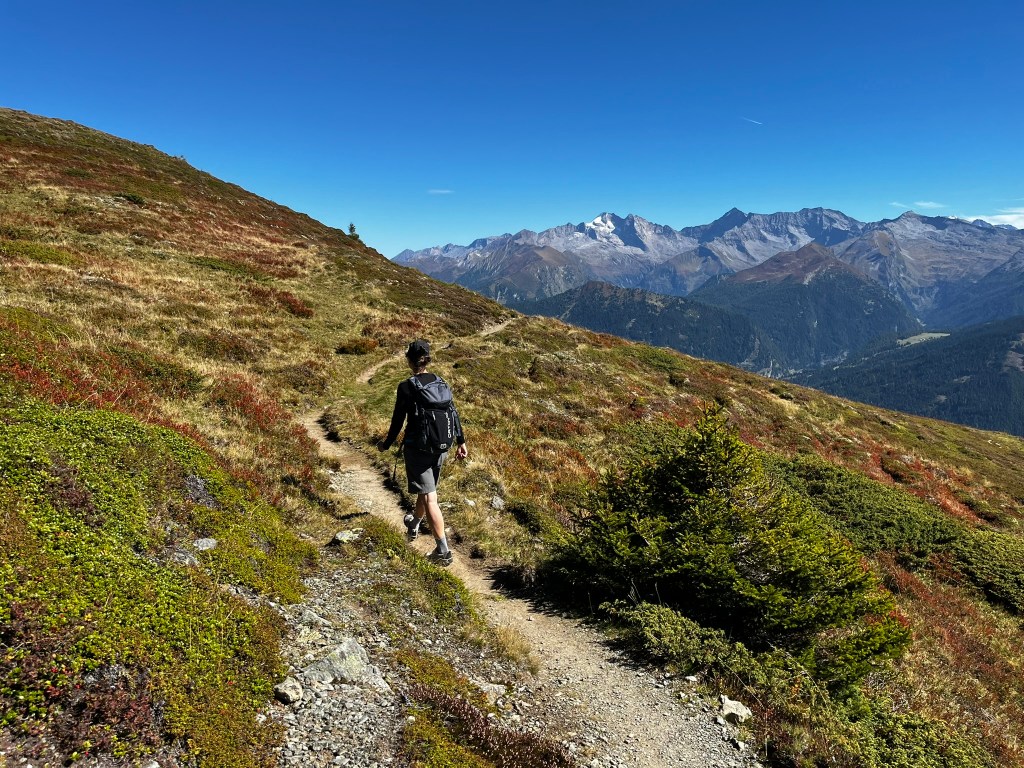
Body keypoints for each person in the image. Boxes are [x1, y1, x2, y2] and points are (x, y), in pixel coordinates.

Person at [378, 339, 467, 566]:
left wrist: (386, 444)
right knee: (427, 489)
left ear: (409, 360)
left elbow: (398, 420)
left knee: (429, 497)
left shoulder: (407, 386)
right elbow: (453, 413)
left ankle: (443, 551)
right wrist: (461, 441)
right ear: (427, 359)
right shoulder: (441, 382)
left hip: (418, 448)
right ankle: (415, 523)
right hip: (441, 447)